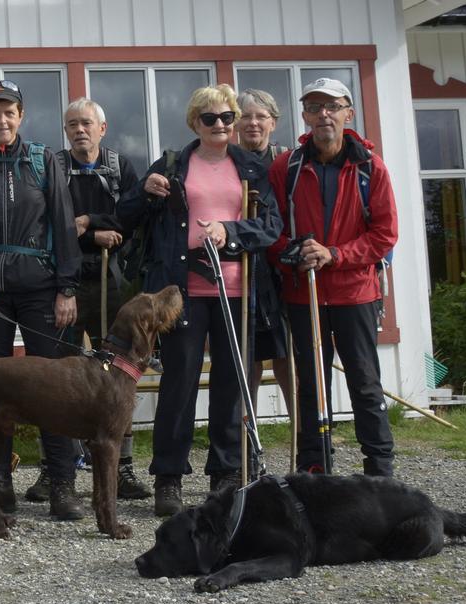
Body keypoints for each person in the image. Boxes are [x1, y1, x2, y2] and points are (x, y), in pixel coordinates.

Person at [116, 83, 281, 517]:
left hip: (237, 288)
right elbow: (127, 215)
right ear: (195, 122)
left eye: (228, 117)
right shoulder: (173, 165)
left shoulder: (250, 168)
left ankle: (226, 474)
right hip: (181, 292)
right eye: (211, 118)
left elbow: (271, 225)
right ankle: (168, 477)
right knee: (179, 385)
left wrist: (232, 231)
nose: (221, 125)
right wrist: (142, 192)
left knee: (231, 385)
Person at [0, 79, 85, 521]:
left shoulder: (44, 161)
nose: (2, 119)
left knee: (57, 391)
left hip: (42, 292)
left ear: (21, 116)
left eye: (9, 112)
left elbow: (65, 227)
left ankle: (62, 485)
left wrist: (67, 288)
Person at [267, 78, 398, 477]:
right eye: (315, 107)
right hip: (303, 294)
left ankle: (379, 470)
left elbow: (385, 234)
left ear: (348, 113)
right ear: (305, 115)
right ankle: (315, 467)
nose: (324, 113)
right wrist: (294, 254)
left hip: (355, 293)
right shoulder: (286, 166)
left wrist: (335, 255)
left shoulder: (369, 168)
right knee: (310, 384)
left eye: (333, 106)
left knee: (364, 382)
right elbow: (271, 229)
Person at [25, 97, 150, 503]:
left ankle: (124, 467)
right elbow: (44, 219)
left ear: (103, 128)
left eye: (86, 124)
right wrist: (87, 233)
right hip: (63, 281)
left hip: (110, 281)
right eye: (72, 124)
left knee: (119, 375)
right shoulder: (54, 167)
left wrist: (88, 223)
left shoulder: (120, 167)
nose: (79, 130)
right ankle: (55, 470)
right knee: (58, 378)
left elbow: (131, 219)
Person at [235, 89, 293, 420]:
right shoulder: (227, 161)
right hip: (243, 269)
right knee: (248, 356)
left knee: (289, 354)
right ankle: (248, 439)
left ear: (273, 122)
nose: (253, 123)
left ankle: (303, 434)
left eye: (260, 116)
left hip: (282, 270)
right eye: (245, 116)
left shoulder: (288, 161)